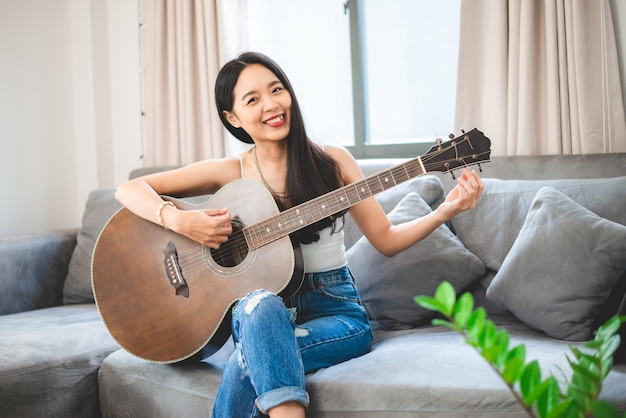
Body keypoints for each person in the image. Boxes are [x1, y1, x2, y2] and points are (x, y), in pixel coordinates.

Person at [115, 51, 484, 418]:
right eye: (253, 99)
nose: (272, 104)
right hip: (260, 314)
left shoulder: (333, 162)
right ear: (232, 117)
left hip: (337, 313)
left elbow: (386, 239)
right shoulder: (232, 171)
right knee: (261, 304)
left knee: (250, 359)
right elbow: (129, 190)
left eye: (277, 90)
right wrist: (180, 221)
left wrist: (445, 211)